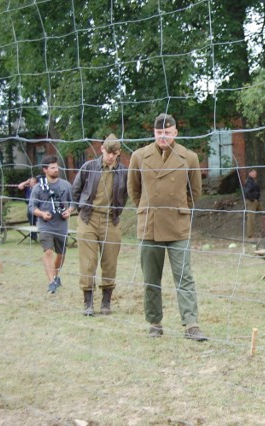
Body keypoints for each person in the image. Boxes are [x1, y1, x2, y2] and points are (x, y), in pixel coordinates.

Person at [128, 113, 207, 341]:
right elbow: (134, 191)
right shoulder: (139, 157)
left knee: (184, 276)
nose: (163, 136)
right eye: (159, 132)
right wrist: (148, 208)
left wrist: (179, 209)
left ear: (175, 133)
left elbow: (195, 192)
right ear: (154, 133)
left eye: (167, 132)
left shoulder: (189, 158)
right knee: (151, 277)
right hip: (149, 225)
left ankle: (191, 324)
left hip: (177, 225)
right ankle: (154, 322)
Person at [72, 134, 128, 316]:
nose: (110, 156)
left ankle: (106, 302)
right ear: (101, 149)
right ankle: (88, 303)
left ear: (119, 152)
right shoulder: (89, 167)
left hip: (111, 220)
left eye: (114, 152)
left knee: (110, 262)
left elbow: (129, 193)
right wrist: (78, 210)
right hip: (88, 218)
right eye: (107, 151)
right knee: (88, 262)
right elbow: (76, 190)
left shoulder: (124, 172)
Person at [29, 155, 74, 294]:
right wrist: (42, 214)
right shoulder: (38, 188)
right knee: (48, 251)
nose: (56, 169)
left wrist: (69, 211)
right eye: (52, 168)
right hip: (45, 225)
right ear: (45, 170)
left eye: (56, 167)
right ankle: (51, 282)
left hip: (61, 225)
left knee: (61, 255)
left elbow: (74, 203)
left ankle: (55, 276)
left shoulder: (66, 185)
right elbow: (31, 207)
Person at [18, 176, 39, 241]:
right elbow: (20, 186)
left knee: (33, 219)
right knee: (30, 219)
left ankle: (34, 234)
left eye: (34, 182)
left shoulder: (37, 188)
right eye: (31, 182)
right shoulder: (28, 188)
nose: (32, 183)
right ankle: (33, 234)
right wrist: (27, 182)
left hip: (36, 206)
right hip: (29, 206)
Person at [244, 169, 261, 239]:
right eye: (253, 172)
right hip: (252, 201)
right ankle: (250, 234)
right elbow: (247, 192)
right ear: (250, 173)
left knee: (263, 214)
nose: (255, 173)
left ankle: (264, 230)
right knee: (251, 218)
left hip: (256, 200)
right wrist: (252, 199)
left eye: (255, 172)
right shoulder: (249, 182)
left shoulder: (254, 181)